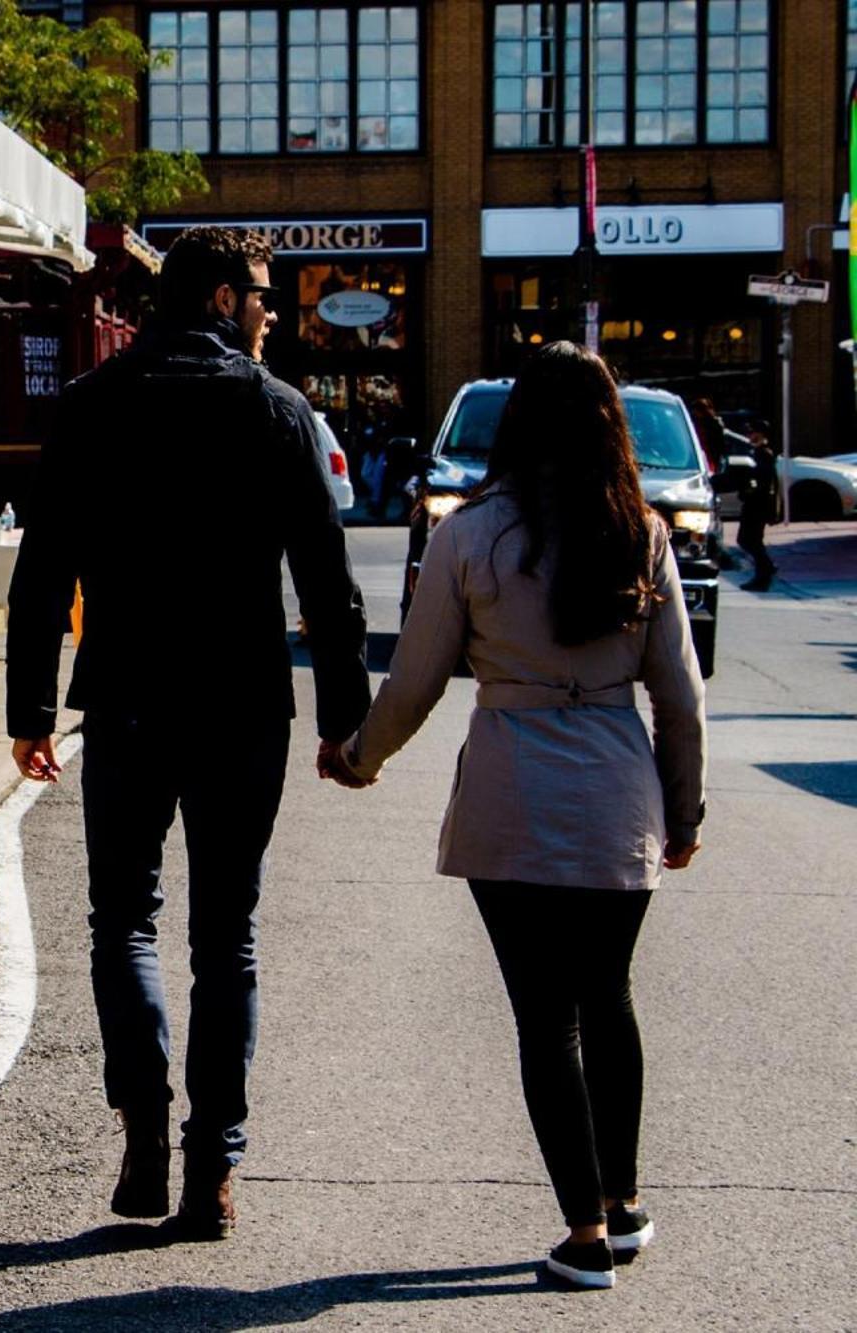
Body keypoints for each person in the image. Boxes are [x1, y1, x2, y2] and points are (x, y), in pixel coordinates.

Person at [6, 226, 371, 1239]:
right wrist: (346, 722)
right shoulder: (276, 410)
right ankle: (211, 1168)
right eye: (257, 293)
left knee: (121, 918)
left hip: (125, 698)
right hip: (242, 704)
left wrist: (28, 711)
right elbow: (327, 586)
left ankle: (140, 1133)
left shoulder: (91, 407)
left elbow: (45, 574)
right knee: (225, 938)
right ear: (217, 297)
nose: (265, 310)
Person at [322, 341, 706, 1290]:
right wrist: (683, 809)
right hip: (622, 793)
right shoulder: (642, 535)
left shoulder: (470, 536)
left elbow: (413, 682)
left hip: (511, 793)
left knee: (546, 1021)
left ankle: (582, 1234)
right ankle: (620, 1205)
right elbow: (683, 699)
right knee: (608, 997)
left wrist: (360, 758)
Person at [687, 398, 737, 570]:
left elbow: (719, 447)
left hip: (709, 462)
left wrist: (715, 464)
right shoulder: (700, 424)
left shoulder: (714, 424)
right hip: (705, 460)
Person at [734, 426, 781, 591]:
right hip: (754, 504)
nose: (750, 436)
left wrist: (748, 491)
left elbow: (763, 483)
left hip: (757, 505)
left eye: (754, 433)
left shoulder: (764, 454)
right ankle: (764, 570)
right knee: (749, 540)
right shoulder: (757, 453)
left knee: (749, 540)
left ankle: (765, 571)